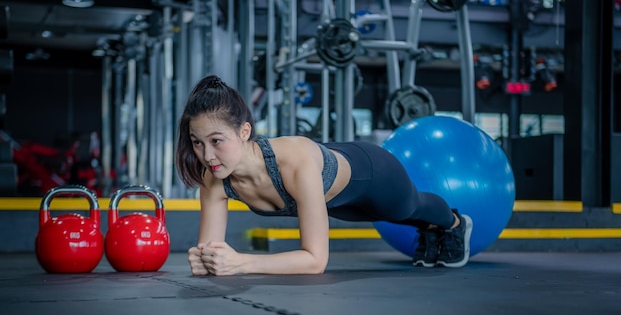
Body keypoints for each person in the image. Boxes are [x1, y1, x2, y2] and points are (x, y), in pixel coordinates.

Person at [175, 75, 472, 276]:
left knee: (409, 209)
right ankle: (430, 230)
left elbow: (316, 260)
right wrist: (206, 261)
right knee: (386, 217)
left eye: (216, 141)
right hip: (337, 200)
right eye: (197, 142)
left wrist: (240, 263)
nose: (207, 155)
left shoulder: (293, 160)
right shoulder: (214, 179)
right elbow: (211, 250)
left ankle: (454, 223)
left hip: (371, 172)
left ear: (244, 131)